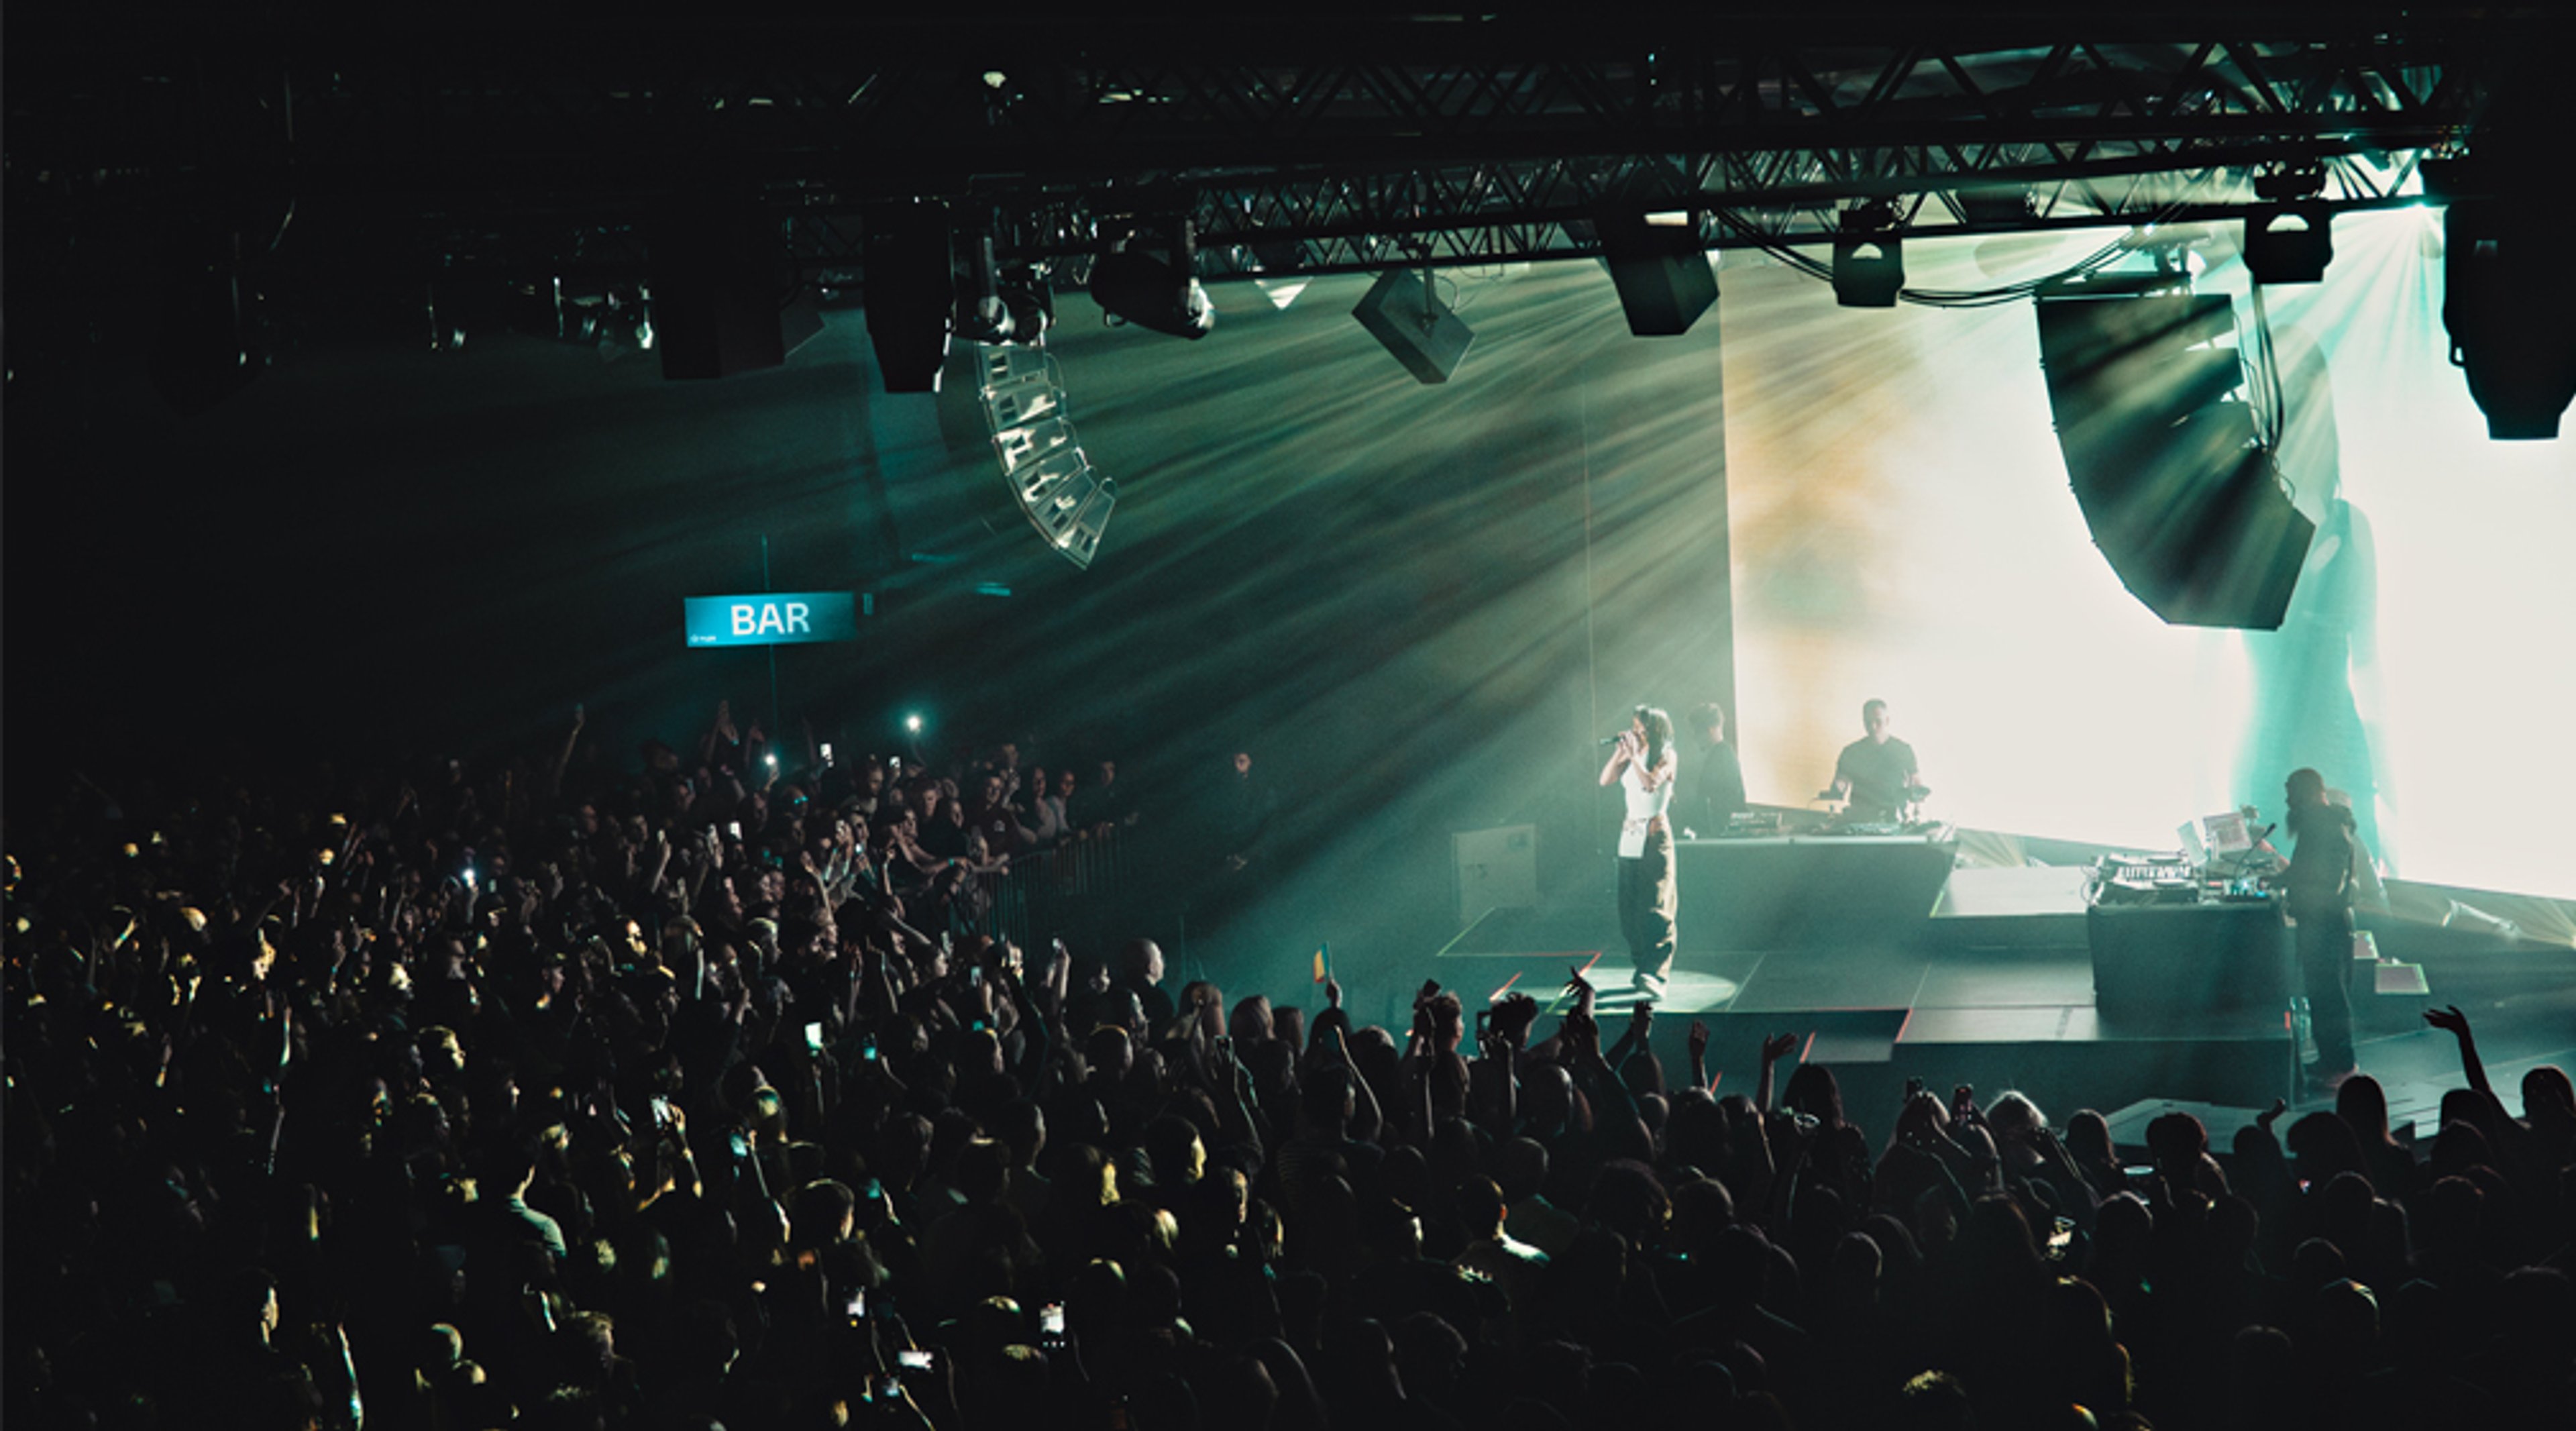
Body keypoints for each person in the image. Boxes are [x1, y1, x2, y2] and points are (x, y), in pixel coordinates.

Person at [2279, 765, 2360, 1088]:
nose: (2288, 802)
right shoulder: (2323, 823)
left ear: (2307, 793)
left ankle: (2341, 1067)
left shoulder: (2325, 826)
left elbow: (2328, 879)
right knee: (2323, 995)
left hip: (2325, 925)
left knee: (2330, 997)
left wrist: (2297, 889)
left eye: (2292, 795)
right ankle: (2331, 1061)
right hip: (2320, 923)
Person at [1600, 704, 1678, 994]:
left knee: (1656, 904)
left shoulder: (1667, 755)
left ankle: (1656, 972)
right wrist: (1620, 754)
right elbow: (1605, 779)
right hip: (1630, 834)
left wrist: (1634, 757)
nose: (1636, 733)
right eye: (1634, 728)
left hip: (1654, 834)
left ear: (1654, 730)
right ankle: (1641, 965)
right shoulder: (1632, 755)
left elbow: (1649, 784)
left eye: (1640, 729)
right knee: (1629, 905)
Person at [1829, 698, 1922, 823]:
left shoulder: (1903, 750)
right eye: (1868, 722)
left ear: (1887, 721)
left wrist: (1917, 794)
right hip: (1859, 819)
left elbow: (1915, 781)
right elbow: (1841, 783)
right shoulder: (1851, 752)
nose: (1873, 727)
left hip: (1894, 819)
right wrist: (1838, 787)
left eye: (1878, 722)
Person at [1684, 701, 1748, 835]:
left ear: (1710, 729)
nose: (1694, 738)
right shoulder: (1723, 753)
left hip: (1723, 832)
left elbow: (1710, 798)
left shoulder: (1721, 756)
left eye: (1697, 732)